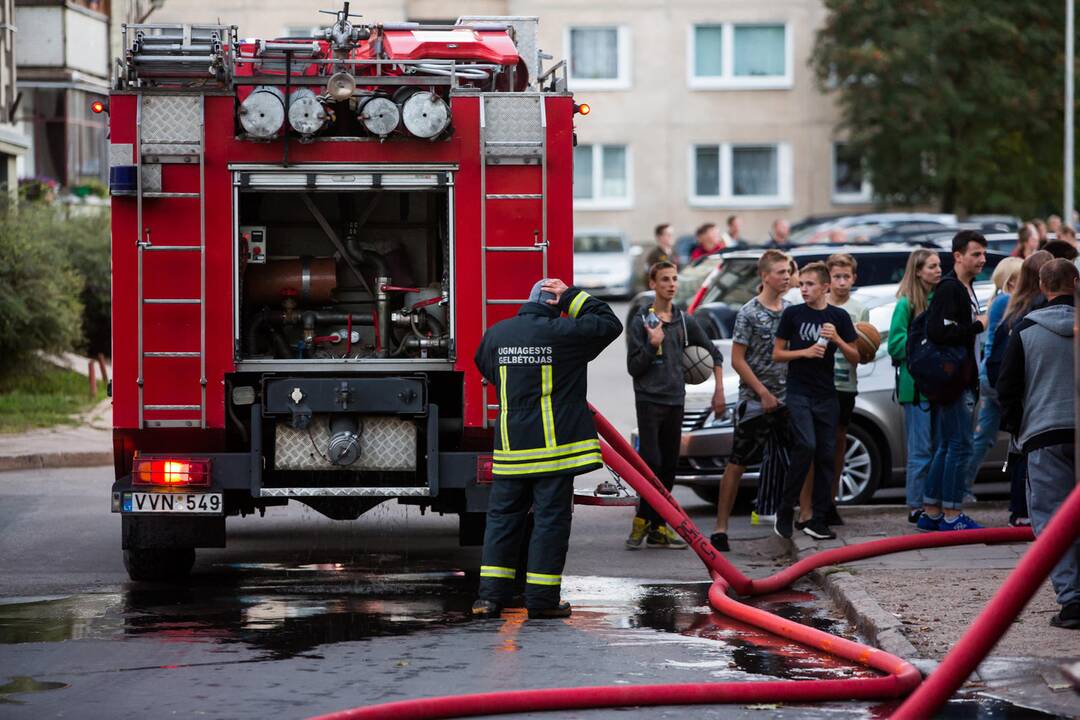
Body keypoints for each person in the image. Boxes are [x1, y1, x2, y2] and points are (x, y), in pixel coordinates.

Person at [472, 278, 622, 619]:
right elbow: (609, 323)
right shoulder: (565, 335)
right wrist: (572, 296)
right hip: (554, 453)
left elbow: (486, 365)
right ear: (556, 305)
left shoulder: (498, 334)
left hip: (511, 450)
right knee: (550, 523)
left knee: (502, 521)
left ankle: (489, 599)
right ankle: (541, 602)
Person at [997, 259, 1079, 629]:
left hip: (1044, 434)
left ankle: (1073, 601)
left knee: (1050, 521)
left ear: (1043, 287)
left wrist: (1017, 428)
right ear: (1075, 283)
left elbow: (1007, 388)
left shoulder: (1025, 330)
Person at [626, 262, 725, 549]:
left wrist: (718, 391)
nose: (671, 284)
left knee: (668, 467)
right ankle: (646, 521)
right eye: (664, 279)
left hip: (675, 400)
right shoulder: (642, 321)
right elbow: (634, 367)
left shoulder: (684, 321)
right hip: (648, 400)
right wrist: (651, 343)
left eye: (674, 279)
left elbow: (714, 354)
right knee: (652, 463)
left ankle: (654, 525)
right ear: (653, 284)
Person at [710, 250, 792, 552]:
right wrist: (763, 393)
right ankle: (720, 528)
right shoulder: (749, 312)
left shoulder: (791, 310)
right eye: (781, 272)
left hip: (787, 399)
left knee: (798, 457)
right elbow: (738, 359)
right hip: (755, 401)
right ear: (765, 276)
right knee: (738, 462)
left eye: (788, 272)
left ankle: (792, 517)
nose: (786, 277)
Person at [772, 262, 860, 541]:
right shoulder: (793, 314)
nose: (804, 289)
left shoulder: (839, 316)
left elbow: (856, 356)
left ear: (825, 287)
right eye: (802, 285)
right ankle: (786, 509)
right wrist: (804, 352)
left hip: (827, 394)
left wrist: (838, 339)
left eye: (809, 284)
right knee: (806, 445)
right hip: (798, 391)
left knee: (826, 454)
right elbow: (777, 354)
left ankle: (819, 518)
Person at [916, 231, 988, 532]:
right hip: (956, 381)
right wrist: (976, 325)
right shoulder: (951, 289)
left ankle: (932, 511)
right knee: (959, 446)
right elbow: (938, 332)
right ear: (958, 256)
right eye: (976, 254)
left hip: (959, 379)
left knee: (948, 446)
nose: (982, 259)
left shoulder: (965, 288)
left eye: (984, 253)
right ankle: (951, 514)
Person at [986, 251, 1054, 526]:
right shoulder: (1034, 313)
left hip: (1025, 399)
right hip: (1041, 397)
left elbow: (997, 365)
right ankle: (1031, 514)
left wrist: (1011, 407)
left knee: (1021, 454)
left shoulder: (1014, 312)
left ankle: (1022, 511)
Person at [889, 249, 942, 523]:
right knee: (920, 450)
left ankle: (933, 501)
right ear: (918, 271)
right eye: (932, 266)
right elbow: (894, 345)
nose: (938, 270)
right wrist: (925, 346)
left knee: (939, 447)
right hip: (916, 387)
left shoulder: (941, 299)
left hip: (941, 386)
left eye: (939, 265)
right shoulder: (906, 304)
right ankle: (916, 504)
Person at [964, 256, 1022, 504]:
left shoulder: (996, 301)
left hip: (988, 376)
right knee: (1019, 435)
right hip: (999, 378)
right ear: (1013, 281)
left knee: (984, 437)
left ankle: (962, 487)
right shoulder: (1009, 301)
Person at [823, 253, 870, 525]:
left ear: (853, 278)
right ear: (828, 279)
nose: (841, 282)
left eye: (846, 277)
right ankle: (815, 501)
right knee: (819, 444)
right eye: (836, 277)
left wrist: (864, 351)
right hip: (821, 383)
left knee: (839, 442)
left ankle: (831, 500)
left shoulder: (859, 309)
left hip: (845, 384)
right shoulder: (821, 304)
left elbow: (864, 351)